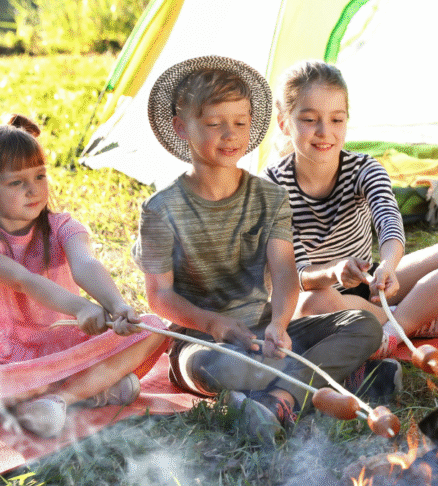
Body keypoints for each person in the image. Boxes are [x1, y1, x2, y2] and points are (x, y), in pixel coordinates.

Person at [133, 56, 383, 445]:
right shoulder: (161, 209)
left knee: (363, 325)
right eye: (215, 124)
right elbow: (159, 295)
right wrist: (213, 324)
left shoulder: (268, 196)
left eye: (240, 122)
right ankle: (341, 378)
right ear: (182, 127)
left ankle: (279, 398)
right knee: (230, 368)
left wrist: (280, 324)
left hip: (267, 337)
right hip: (203, 346)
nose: (230, 135)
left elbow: (285, 274)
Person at [0, 113, 168, 439]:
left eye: (40, 176)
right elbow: (23, 280)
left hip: (71, 344)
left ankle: (59, 399)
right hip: (12, 356)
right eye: (16, 182)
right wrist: (80, 308)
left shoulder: (62, 226)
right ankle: (93, 391)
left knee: (152, 328)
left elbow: (85, 265)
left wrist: (116, 305)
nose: (33, 190)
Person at [263, 60, 438, 358]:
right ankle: (417, 319)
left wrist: (388, 266)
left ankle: (395, 330)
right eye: (309, 119)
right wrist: (334, 273)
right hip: (319, 294)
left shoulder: (364, 168)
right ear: (283, 122)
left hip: (368, 286)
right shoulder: (272, 186)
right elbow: (297, 276)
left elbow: (389, 220)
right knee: (308, 305)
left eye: (336, 120)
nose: (324, 131)